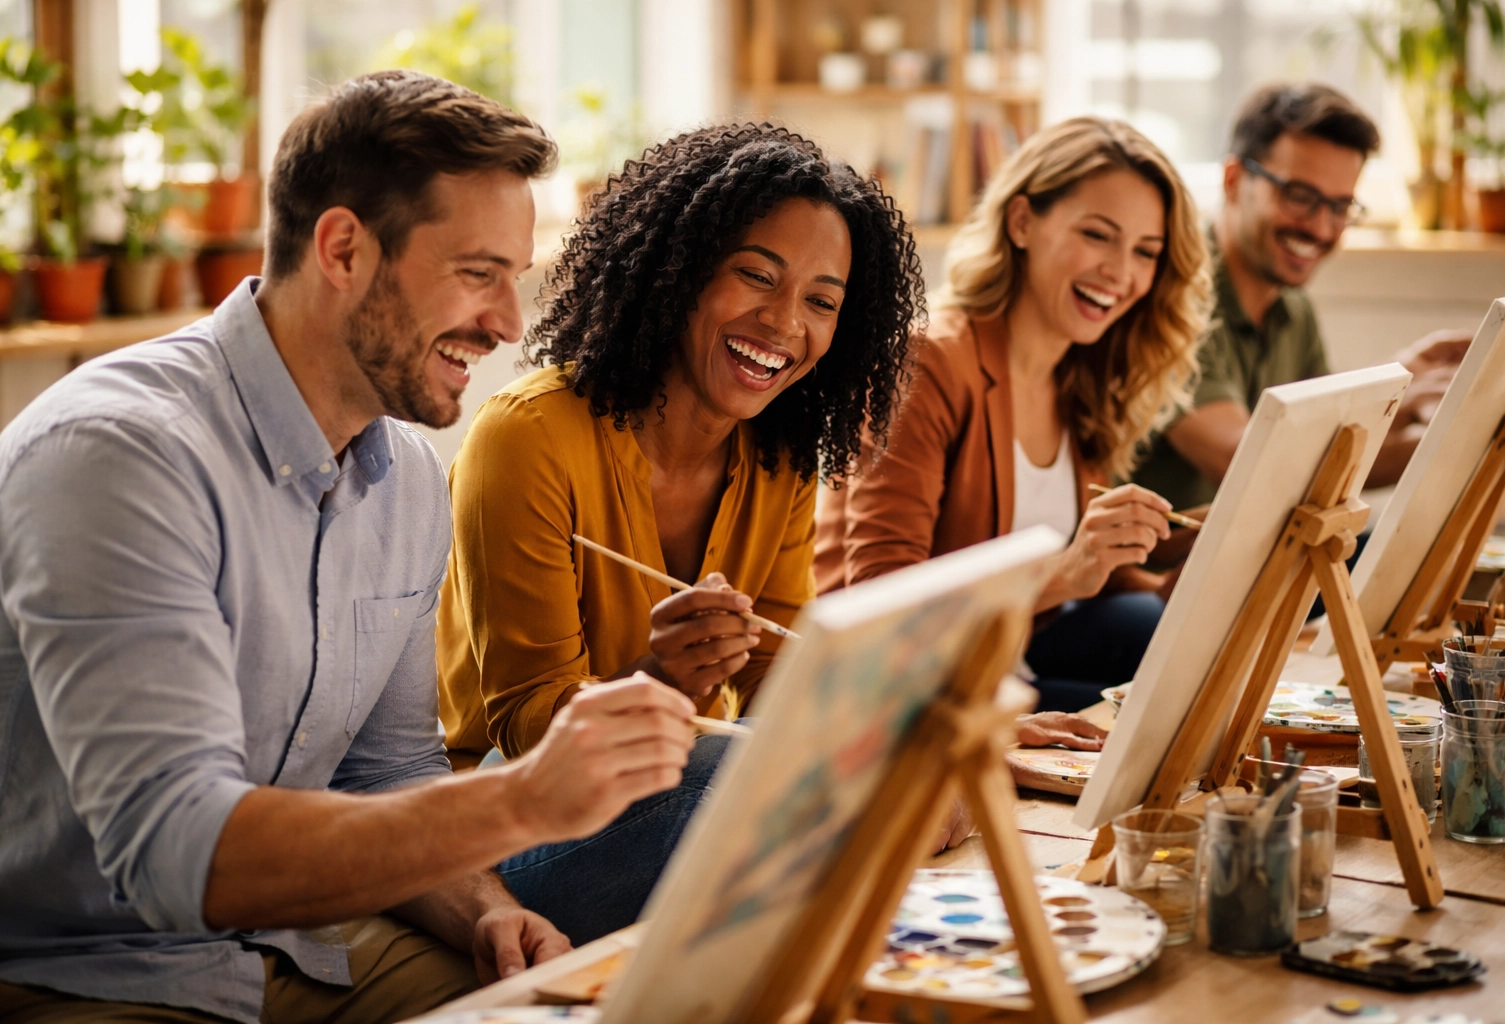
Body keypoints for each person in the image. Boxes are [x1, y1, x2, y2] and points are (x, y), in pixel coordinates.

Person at [0, 71, 701, 1024]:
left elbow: (385, 777)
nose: (508, 325)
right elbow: (176, 856)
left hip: (302, 949)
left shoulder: (405, 478)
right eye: (477, 273)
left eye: (514, 277)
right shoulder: (121, 457)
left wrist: (486, 909)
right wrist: (526, 799)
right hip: (86, 971)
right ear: (342, 249)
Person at [435, 123, 924, 943]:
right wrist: (659, 676)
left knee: (867, 767)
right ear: (677, 273)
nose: (783, 323)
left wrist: (920, 731)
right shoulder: (527, 437)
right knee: (757, 781)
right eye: (755, 277)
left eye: (821, 302)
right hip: (506, 831)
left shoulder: (782, 458)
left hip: (687, 779)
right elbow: (526, 732)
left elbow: (778, 680)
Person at [816, 116, 1212, 717]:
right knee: (1161, 717)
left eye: (1145, 252)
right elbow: (884, 599)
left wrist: (1165, 571)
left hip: (1005, 662)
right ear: (1022, 221)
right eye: (1098, 235)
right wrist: (1063, 574)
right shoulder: (930, 363)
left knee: (1184, 671)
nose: (1121, 273)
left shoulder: (1082, 375)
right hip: (899, 689)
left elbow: (1086, 572)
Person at [1133, 83, 1470, 511]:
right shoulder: (1171, 292)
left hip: (1258, 569)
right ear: (1234, 181)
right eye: (1299, 197)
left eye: (1340, 206)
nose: (1320, 227)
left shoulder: (1293, 305)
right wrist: (1392, 402)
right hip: (1161, 574)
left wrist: (1457, 429)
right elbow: (1244, 462)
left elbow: (1325, 460)